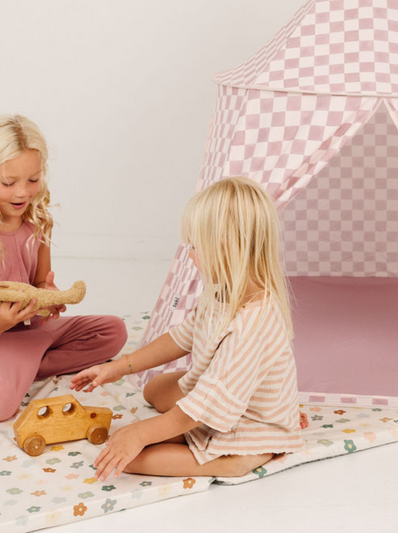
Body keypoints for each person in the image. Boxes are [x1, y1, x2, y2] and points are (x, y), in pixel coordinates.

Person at [71, 176, 305, 480]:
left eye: (196, 246)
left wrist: (141, 434)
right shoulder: (220, 292)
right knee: (154, 389)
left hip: (249, 423)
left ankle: (237, 460)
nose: (191, 255)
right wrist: (118, 368)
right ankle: (194, 416)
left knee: (131, 460)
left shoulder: (253, 324)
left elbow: (208, 403)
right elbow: (183, 337)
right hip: (218, 394)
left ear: (227, 246)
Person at [0, 114, 127, 422]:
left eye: (33, 180)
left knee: (113, 331)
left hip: (32, 329)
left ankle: (28, 361)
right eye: (8, 183)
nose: (22, 192)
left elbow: (39, 282)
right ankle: (21, 360)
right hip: (3, 332)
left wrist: (49, 295)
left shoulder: (39, 222)